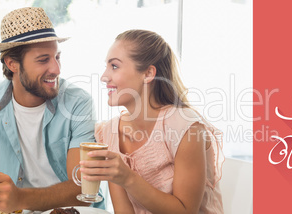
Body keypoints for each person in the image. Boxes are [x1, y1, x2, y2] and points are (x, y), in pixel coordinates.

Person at [80, 29, 224, 213]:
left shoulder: (186, 128)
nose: (103, 76)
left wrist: (127, 177)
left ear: (148, 73)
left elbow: (187, 211)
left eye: (114, 66)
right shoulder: (108, 133)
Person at [0, 7, 104, 212]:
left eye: (57, 57)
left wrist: (20, 198)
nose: (56, 69)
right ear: (12, 64)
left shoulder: (78, 103)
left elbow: (82, 188)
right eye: (43, 60)